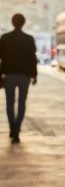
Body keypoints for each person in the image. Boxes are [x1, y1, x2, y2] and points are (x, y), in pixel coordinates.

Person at [1, 13, 39, 143]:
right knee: (22, 103)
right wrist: (35, 75)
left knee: (10, 104)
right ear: (23, 23)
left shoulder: (5, 38)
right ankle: (17, 129)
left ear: (12, 22)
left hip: (9, 76)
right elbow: (33, 59)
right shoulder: (29, 39)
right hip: (24, 76)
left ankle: (12, 128)